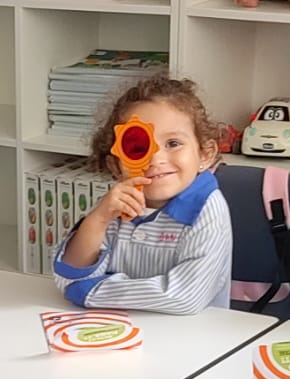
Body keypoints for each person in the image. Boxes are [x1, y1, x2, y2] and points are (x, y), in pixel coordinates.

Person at [53, 74, 233, 314]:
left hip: (191, 332)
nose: (155, 159)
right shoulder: (116, 204)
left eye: (173, 143)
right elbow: (69, 275)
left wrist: (90, 292)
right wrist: (99, 219)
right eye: (138, 147)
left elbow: (185, 297)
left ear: (205, 154)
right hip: (117, 325)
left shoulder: (207, 209)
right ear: (116, 165)